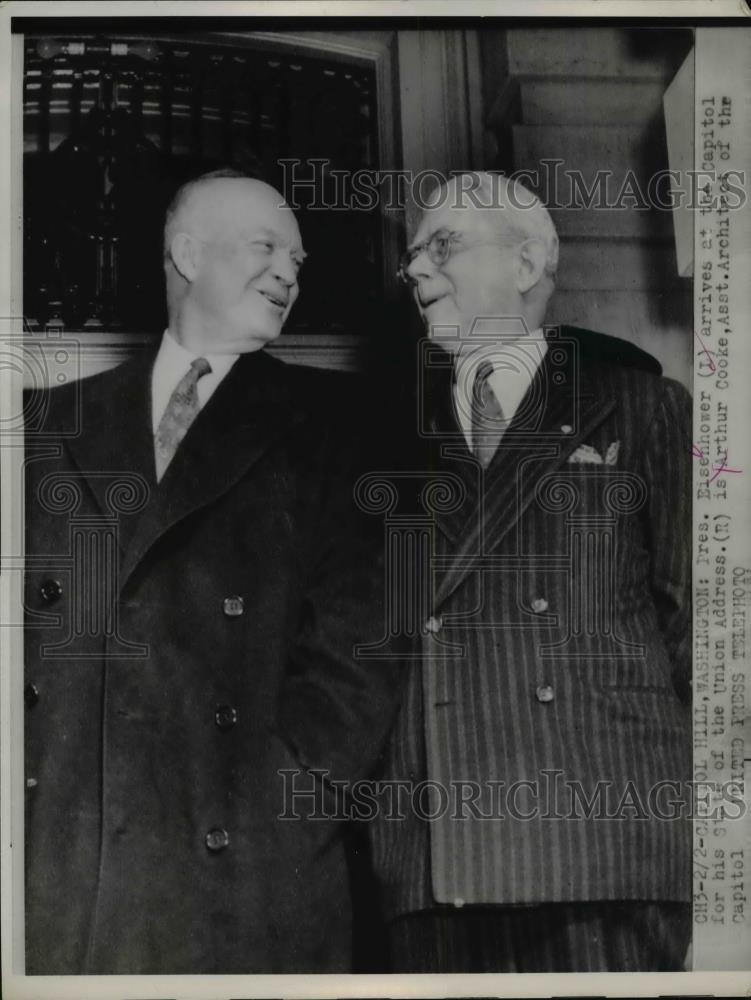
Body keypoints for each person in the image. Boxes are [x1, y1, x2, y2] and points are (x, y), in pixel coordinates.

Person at [23, 170, 399, 974]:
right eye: (265, 246)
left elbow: (359, 651)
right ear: (187, 255)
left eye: (296, 260)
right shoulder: (48, 422)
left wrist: (288, 807)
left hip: (250, 864)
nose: (288, 273)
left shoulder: (346, 426)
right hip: (73, 859)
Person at [369, 171, 692, 972]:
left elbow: (705, 628)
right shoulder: (370, 435)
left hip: (599, 841)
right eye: (410, 257)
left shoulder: (641, 406)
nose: (414, 270)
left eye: (441, 245)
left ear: (527, 263)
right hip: (430, 849)